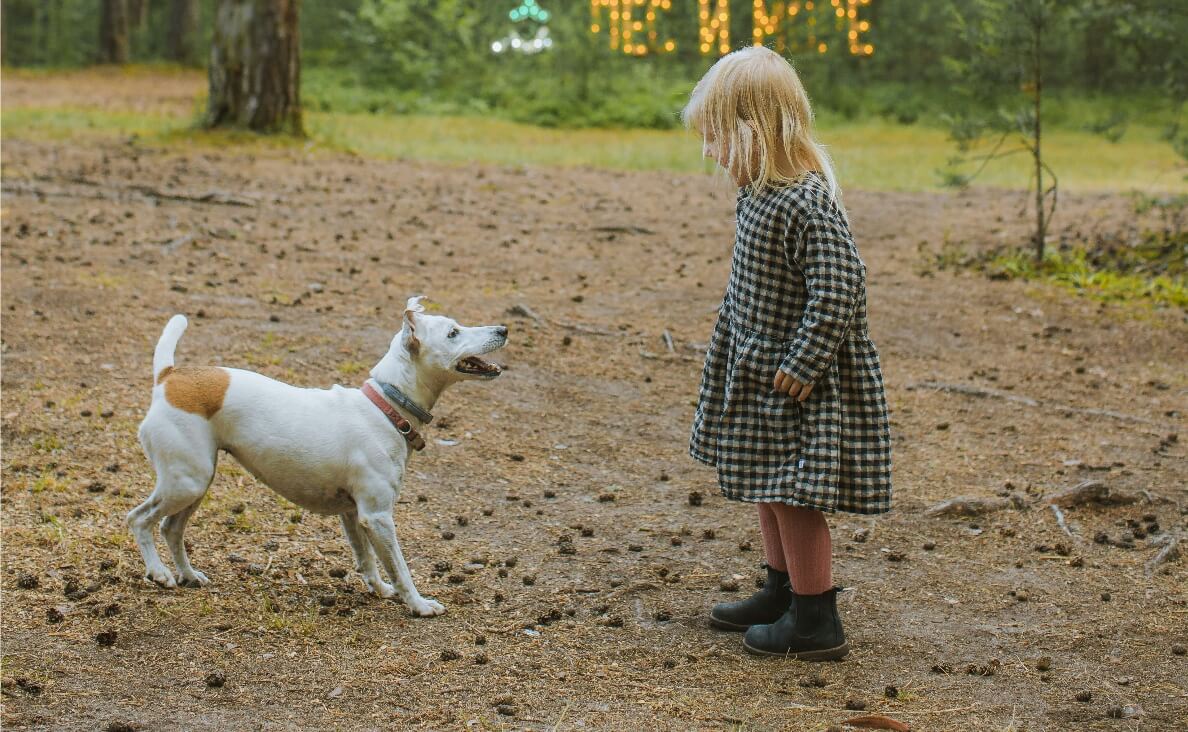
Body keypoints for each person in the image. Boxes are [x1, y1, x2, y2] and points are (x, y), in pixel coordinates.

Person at [682, 47, 892, 660]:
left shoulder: (803, 201)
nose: (712, 151)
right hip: (758, 367)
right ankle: (781, 590)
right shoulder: (759, 194)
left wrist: (804, 361)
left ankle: (814, 620)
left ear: (755, 132)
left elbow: (841, 285)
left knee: (794, 493)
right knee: (768, 483)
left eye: (719, 138)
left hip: (798, 380)